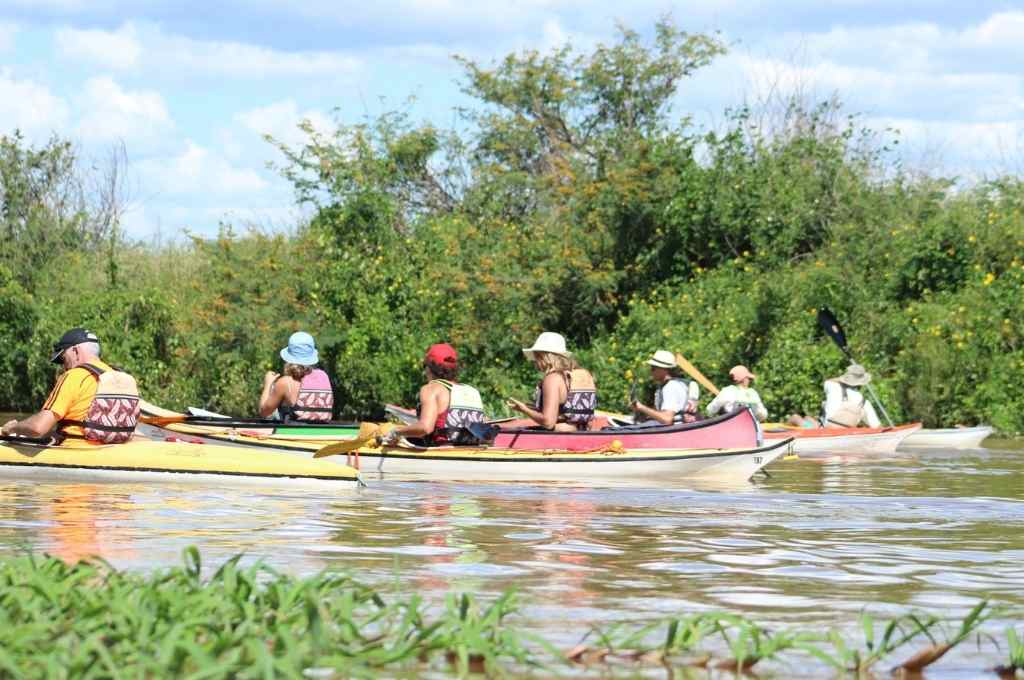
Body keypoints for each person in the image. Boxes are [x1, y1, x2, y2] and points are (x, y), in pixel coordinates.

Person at [1, 328, 140, 446]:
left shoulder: (74, 376)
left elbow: (38, 428)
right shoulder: (120, 376)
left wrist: (13, 427)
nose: (63, 365)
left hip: (76, 448)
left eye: (63, 358)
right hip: (114, 450)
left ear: (76, 351)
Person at [385, 343, 486, 446]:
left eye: (424, 366)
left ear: (429, 368)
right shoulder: (473, 391)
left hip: (443, 452)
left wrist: (396, 432)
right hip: (471, 452)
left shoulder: (431, 389)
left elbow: (425, 428)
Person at [504, 332, 598, 431]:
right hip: (582, 432)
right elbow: (565, 409)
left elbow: (548, 422)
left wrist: (524, 409)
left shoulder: (552, 379)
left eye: (536, 356)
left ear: (544, 356)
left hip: (560, 438)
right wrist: (532, 408)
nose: (534, 361)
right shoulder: (576, 375)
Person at [259, 332, 334, 421]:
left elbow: (264, 412)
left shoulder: (285, 382)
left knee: (274, 412)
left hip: (296, 431)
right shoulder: (323, 376)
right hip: (323, 430)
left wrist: (268, 383)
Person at [787, 363, 881, 428]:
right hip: (843, 433)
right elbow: (877, 427)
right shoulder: (864, 402)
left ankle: (780, 437)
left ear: (846, 378)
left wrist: (842, 378)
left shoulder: (832, 386)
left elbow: (829, 380)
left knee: (795, 417)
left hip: (823, 431)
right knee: (807, 418)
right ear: (861, 384)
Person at [632, 350, 700, 426]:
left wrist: (641, 407)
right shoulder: (679, 384)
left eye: (653, 368)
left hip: (675, 432)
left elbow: (667, 419)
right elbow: (661, 415)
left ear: (664, 369)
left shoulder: (670, 387)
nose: (651, 371)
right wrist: (640, 412)